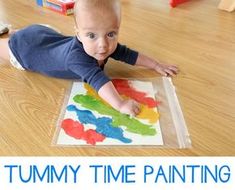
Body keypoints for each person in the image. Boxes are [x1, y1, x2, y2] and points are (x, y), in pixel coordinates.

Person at [0, 0, 178, 116]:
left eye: (111, 34)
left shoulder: (103, 46)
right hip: (26, 51)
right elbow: (98, 80)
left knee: (33, 33)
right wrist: (121, 104)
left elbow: (128, 54)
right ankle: (9, 33)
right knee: (7, 46)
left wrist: (155, 65)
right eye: (91, 35)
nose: (103, 45)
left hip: (42, 33)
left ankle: (12, 31)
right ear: (77, 33)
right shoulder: (77, 58)